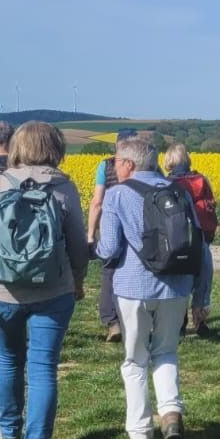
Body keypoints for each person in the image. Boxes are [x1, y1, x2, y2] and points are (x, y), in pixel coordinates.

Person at [0, 121, 88, 439]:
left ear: (17, 147)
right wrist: (78, 280)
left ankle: (9, 435)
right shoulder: (64, 187)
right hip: (54, 291)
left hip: (2, 291)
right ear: (55, 148)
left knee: (8, 358)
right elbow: (79, 245)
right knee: (43, 368)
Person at [96, 134, 194, 439]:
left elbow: (109, 249)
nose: (114, 168)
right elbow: (198, 245)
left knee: (135, 362)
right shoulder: (179, 191)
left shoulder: (117, 195)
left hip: (133, 289)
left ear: (128, 164)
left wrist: (95, 249)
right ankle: (171, 418)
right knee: (166, 352)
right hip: (176, 287)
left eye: (115, 162)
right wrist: (201, 294)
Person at [87, 130, 138, 343]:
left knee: (109, 272)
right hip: (137, 225)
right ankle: (135, 321)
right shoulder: (144, 164)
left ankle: (112, 322)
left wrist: (91, 234)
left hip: (111, 224)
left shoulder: (105, 166)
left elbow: (97, 201)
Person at [164, 142, 217, 337]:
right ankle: (200, 319)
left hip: (178, 240)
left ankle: (180, 322)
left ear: (169, 161)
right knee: (203, 279)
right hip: (201, 237)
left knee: (180, 280)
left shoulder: (167, 183)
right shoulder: (201, 180)